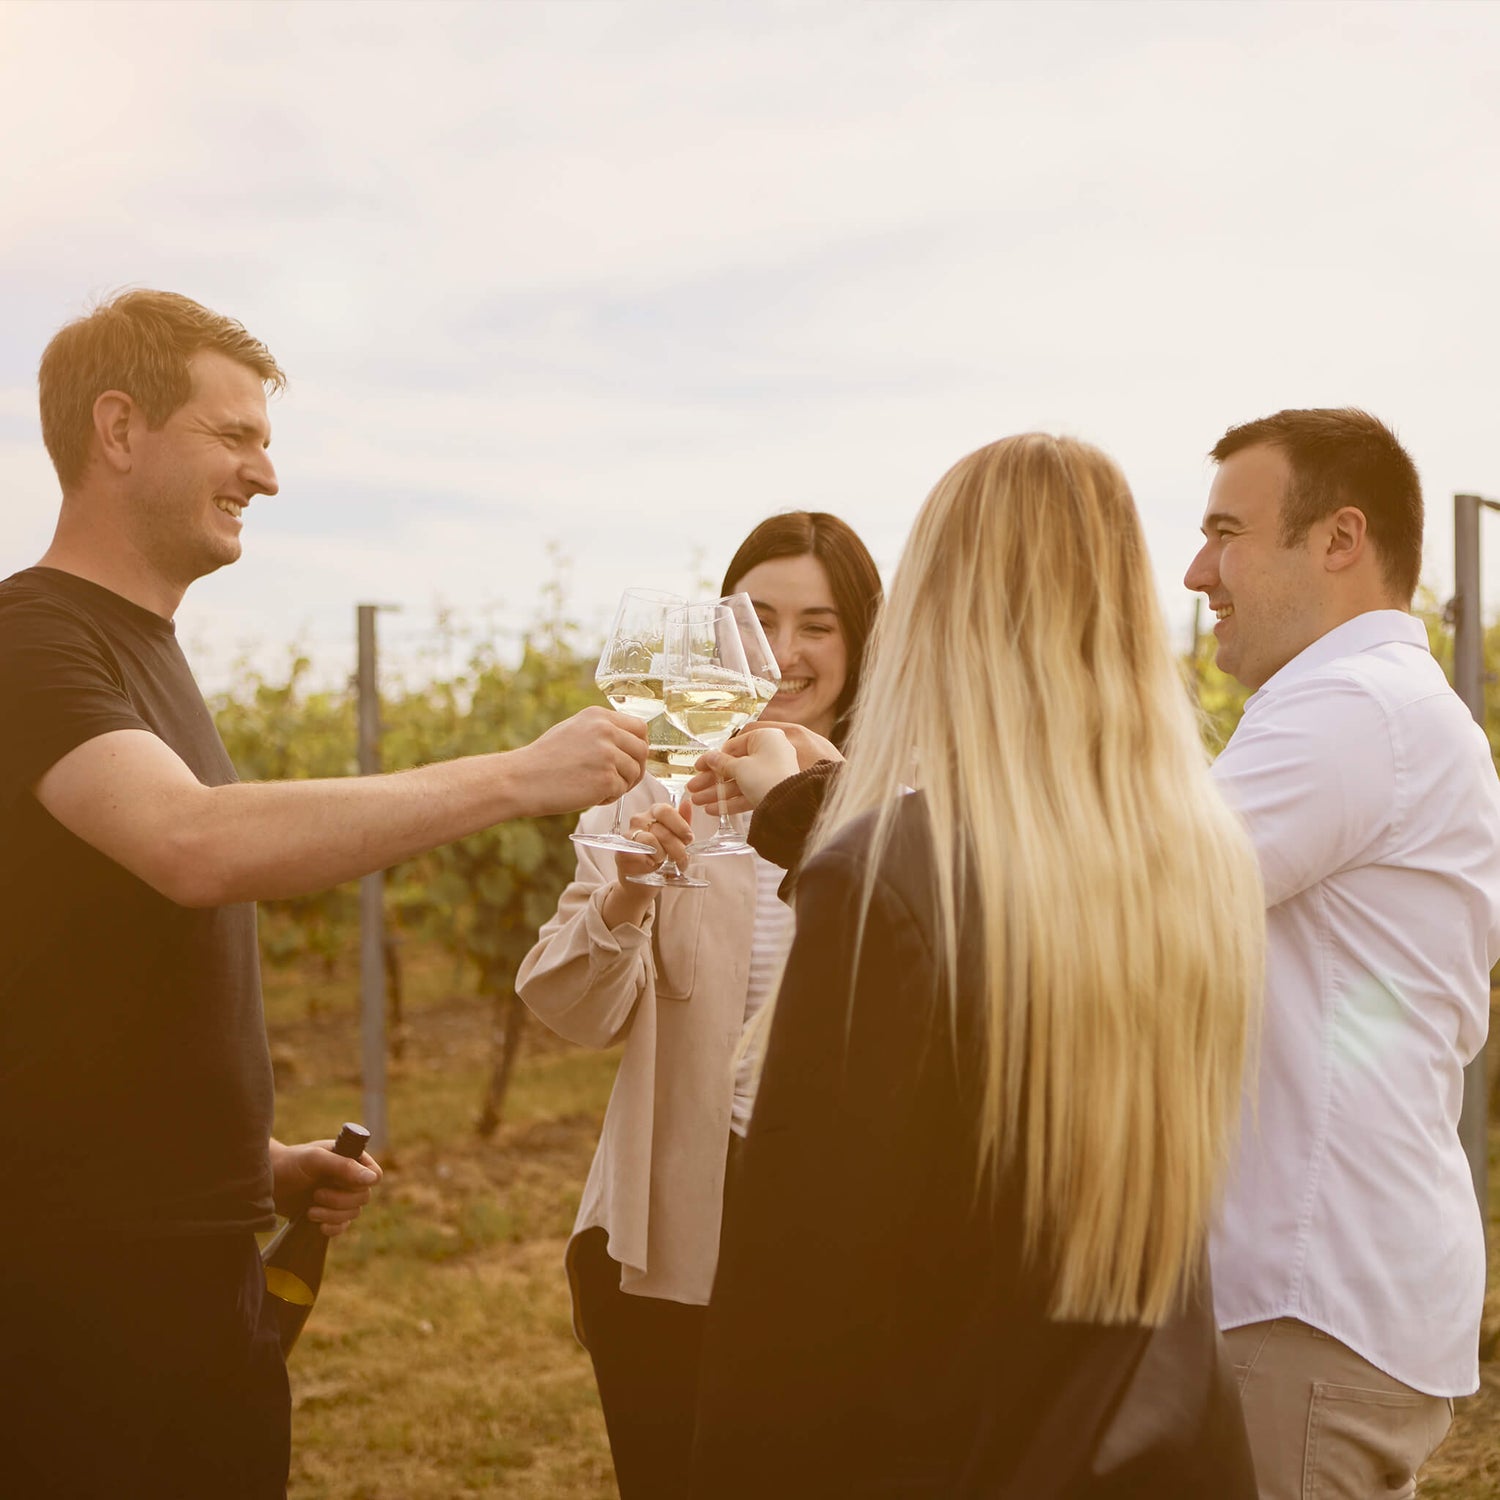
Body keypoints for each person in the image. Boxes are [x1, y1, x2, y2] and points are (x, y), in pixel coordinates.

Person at [0, 289, 647, 1500]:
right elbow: (192, 845)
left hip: (187, 1260)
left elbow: (75, 971)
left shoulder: (137, 647)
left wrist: (254, 1162)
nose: (268, 474)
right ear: (120, 428)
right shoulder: (30, 639)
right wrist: (514, 775)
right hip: (79, 1290)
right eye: (235, 436)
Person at [688, 434, 1264, 1497]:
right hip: (1167, 1449)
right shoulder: (1199, 859)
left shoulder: (886, 880)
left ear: (939, 614)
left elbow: (792, 1310)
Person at [514, 511, 881, 1499]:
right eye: (762, 619)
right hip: (664, 1234)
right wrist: (628, 891)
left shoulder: (897, 798)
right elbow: (569, 1009)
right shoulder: (653, 791)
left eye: (820, 624)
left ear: (862, 639)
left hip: (845, 1231)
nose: (790, 653)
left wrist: (812, 795)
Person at [1182, 408, 1500, 1498]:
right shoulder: (1385, 710)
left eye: (1227, 532)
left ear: (1338, 539)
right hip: (1333, 1294)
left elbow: (1119, 911)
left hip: (1301, 1302)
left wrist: (828, 814)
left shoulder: (1349, 707)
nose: (1195, 570)